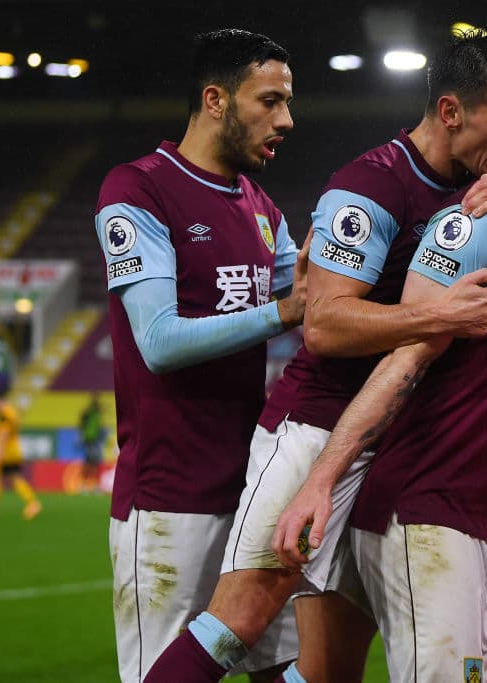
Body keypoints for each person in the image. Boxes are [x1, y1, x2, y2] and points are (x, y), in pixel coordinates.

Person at [144, 31, 487, 683]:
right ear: (452, 112)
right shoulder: (373, 185)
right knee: (244, 616)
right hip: (317, 425)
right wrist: (435, 315)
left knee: (325, 667)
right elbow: (325, 326)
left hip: (399, 438)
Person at [96, 29, 311, 683]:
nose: (286, 119)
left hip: (249, 492)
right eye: (269, 100)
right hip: (169, 501)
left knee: (285, 668)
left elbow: (317, 301)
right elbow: (158, 341)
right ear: (215, 99)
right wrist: (281, 311)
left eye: (288, 101)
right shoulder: (138, 189)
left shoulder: (259, 206)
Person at [0, 397, 41, 520]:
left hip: (6, 455)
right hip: (15, 454)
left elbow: (3, 439)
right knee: (15, 478)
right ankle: (32, 502)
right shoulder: (12, 418)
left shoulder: (3, 423)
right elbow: (8, 410)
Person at [78, 392, 106, 493]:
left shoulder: (97, 413)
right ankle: (83, 484)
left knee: (95, 463)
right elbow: (81, 422)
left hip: (96, 440)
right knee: (89, 463)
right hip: (89, 440)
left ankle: (93, 484)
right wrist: (83, 434)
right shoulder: (89, 412)